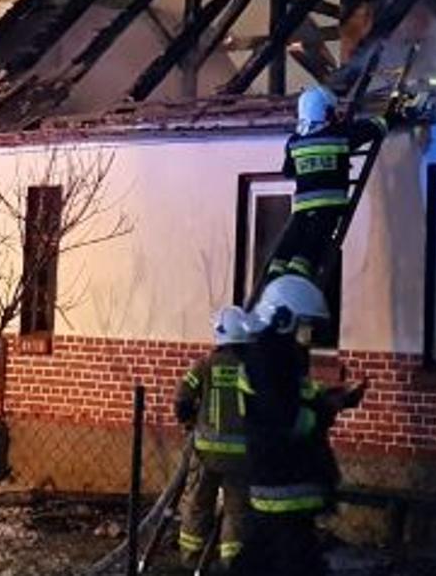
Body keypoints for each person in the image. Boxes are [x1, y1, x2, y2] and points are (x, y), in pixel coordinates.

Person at [230, 275, 366, 576]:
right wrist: (327, 409)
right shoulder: (269, 360)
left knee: (262, 558)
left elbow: (295, 400)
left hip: (283, 482)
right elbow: (289, 419)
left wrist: (335, 398)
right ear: (283, 318)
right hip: (285, 483)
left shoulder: (276, 356)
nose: (308, 334)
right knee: (294, 562)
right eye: (304, 324)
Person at [265, 86, 390, 282]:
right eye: (333, 111)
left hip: (302, 206)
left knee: (293, 237)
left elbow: (288, 171)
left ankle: (275, 270)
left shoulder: (294, 142)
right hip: (330, 205)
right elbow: (368, 130)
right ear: (326, 112)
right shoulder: (338, 135)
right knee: (315, 240)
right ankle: (298, 274)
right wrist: (388, 118)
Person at [174, 306, 254, 568]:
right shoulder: (252, 369)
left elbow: (182, 399)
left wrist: (188, 421)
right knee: (237, 511)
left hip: (206, 453)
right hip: (242, 457)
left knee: (198, 505)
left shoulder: (205, 365)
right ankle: (233, 562)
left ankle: (192, 559)